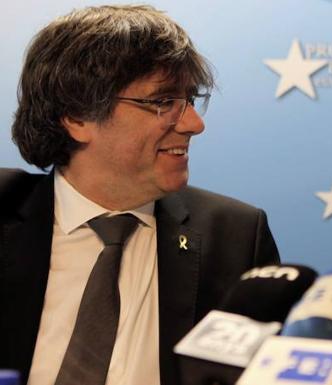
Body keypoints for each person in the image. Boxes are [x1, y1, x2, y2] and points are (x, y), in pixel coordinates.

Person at [0, 5, 279, 385]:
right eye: (162, 102)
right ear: (77, 116)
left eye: (190, 101)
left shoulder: (235, 237)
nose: (194, 124)